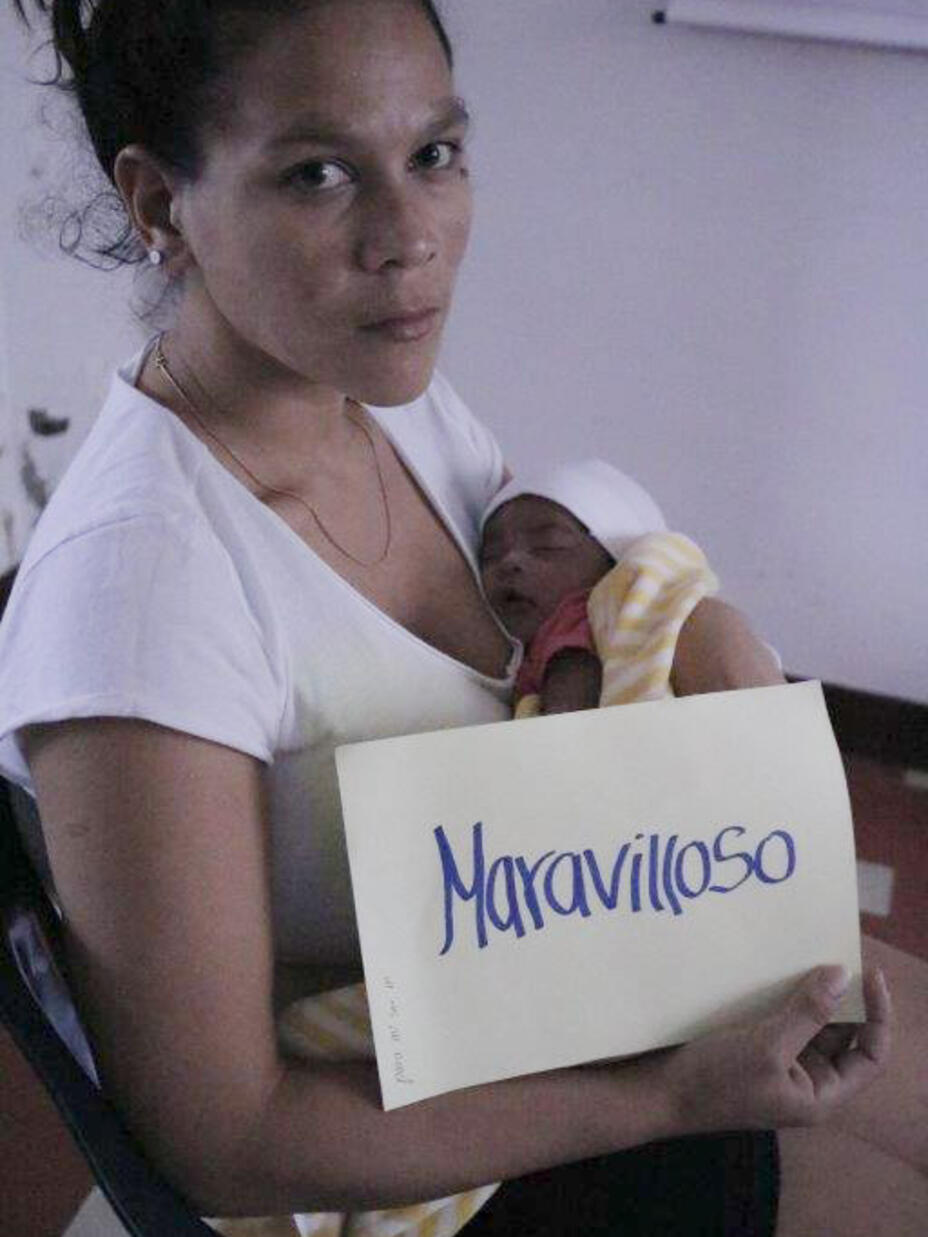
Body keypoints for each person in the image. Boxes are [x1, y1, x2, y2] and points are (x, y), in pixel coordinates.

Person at [0, 1, 924, 1234]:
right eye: (317, 173)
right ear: (161, 205)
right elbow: (230, 1141)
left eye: (434, 155)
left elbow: (568, 624)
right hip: (431, 1156)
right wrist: (658, 1095)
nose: (410, 239)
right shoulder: (137, 597)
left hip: (588, 975)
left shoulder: (390, 406)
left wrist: (704, 642)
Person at [478, 460, 721, 716]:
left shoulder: (575, 618)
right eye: (491, 555)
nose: (510, 562)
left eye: (548, 545)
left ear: (615, 562)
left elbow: (573, 710)